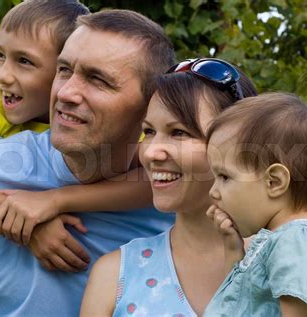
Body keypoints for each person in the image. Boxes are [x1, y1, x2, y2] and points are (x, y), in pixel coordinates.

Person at [0, 9, 176, 316]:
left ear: (151, 104)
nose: (67, 93)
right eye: (64, 70)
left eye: (98, 80)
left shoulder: (176, 198)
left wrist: (53, 201)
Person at [80, 58, 258, 316]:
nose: (151, 152)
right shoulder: (114, 276)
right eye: (149, 132)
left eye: (179, 133)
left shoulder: (289, 264)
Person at [204, 93, 307, 316]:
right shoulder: (280, 240)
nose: (213, 192)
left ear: (274, 182)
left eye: (224, 177)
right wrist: (232, 247)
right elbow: (238, 303)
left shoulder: (298, 240)